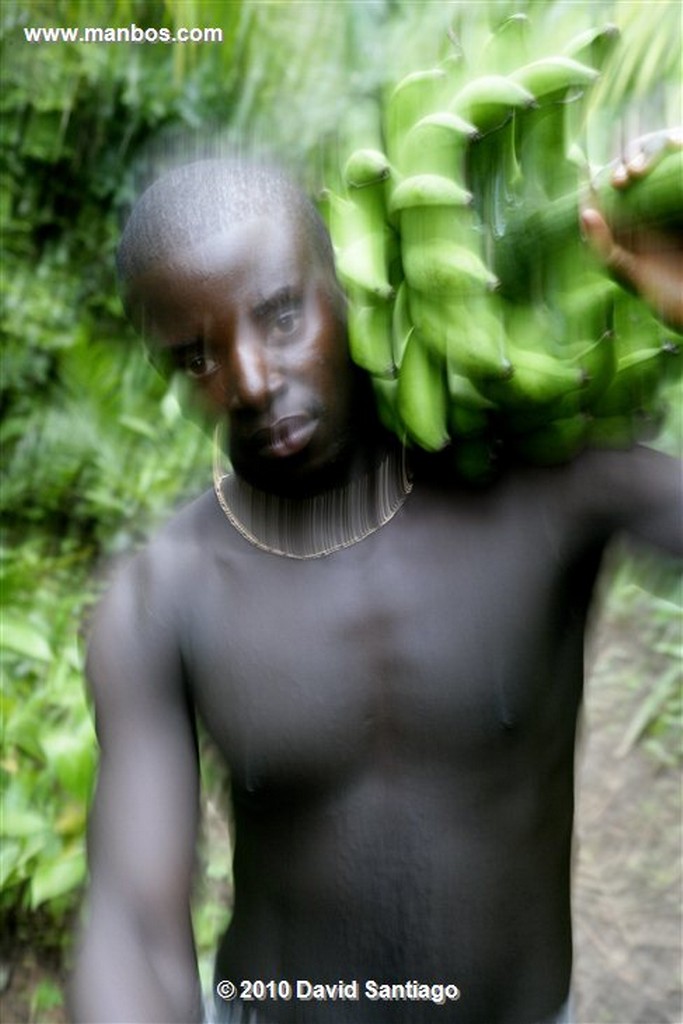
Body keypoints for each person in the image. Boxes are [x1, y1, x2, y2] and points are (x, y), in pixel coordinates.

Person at [70, 143, 682, 1024]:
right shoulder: (165, 595)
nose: (248, 381)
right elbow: (131, 928)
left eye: (281, 314)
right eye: (196, 356)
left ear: (344, 279)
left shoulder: (542, 484)